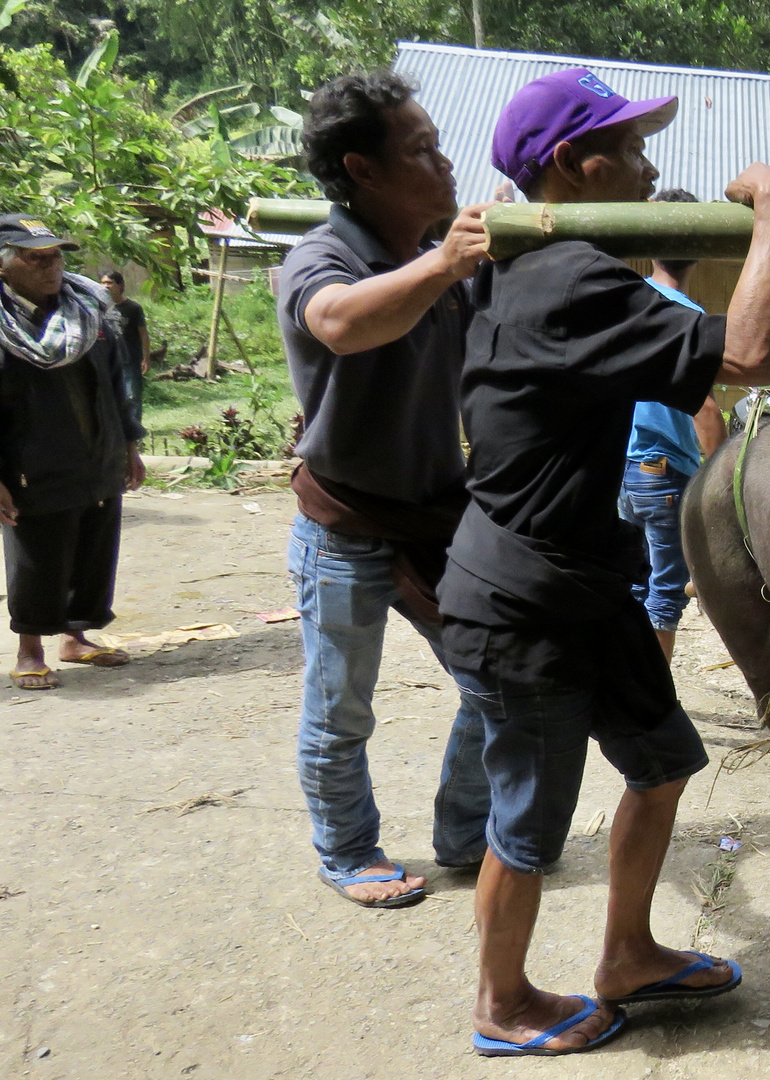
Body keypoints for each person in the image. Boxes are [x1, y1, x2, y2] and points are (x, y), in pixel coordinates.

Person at [439, 68, 770, 1057]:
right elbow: (753, 352)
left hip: (585, 585)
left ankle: (628, 953)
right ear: (571, 164)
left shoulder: (542, 262)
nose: (648, 167)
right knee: (528, 823)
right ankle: (501, 1003)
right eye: (630, 149)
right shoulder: (569, 277)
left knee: (664, 761)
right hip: (520, 604)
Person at [275, 71, 494, 909]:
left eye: (440, 147)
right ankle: (347, 850)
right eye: (421, 150)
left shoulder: (435, 260)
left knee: (496, 681)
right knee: (342, 706)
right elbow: (340, 322)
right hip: (345, 520)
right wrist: (444, 262)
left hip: (437, 519)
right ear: (363, 171)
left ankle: (465, 834)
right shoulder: (322, 258)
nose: (444, 166)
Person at [0, 215, 144, 690]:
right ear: (4, 267)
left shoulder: (88, 310)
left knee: (93, 544)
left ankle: (75, 636)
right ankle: (30, 648)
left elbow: (120, 382)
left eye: (55, 256)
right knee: (38, 552)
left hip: (96, 451)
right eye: (34, 258)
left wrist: (128, 443)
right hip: (31, 464)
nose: (50, 267)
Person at [619, 186, 724, 661]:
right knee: (666, 592)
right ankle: (653, 697)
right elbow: (703, 408)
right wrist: (718, 471)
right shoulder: (686, 315)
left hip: (623, 469)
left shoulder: (626, 301)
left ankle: (625, 684)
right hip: (665, 474)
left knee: (632, 584)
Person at [99, 270, 149, 417]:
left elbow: (143, 335)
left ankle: (135, 431)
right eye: (103, 283)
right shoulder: (99, 307)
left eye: (110, 283)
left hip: (130, 358)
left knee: (132, 395)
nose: (106, 286)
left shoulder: (133, 308)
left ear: (120, 285)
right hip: (107, 358)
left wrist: (146, 358)